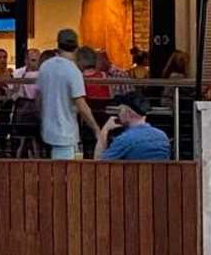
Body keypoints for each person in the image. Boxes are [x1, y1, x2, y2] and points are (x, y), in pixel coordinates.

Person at [37, 29, 101, 160]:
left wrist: (41, 118)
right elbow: (81, 105)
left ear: (58, 44)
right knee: (65, 175)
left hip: (46, 131)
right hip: (66, 133)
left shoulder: (45, 66)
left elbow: (39, 98)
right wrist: (96, 128)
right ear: (76, 47)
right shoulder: (73, 71)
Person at [94, 92, 170, 160]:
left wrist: (105, 130)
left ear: (128, 113)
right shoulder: (162, 136)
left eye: (120, 110)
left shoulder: (124, 139)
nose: (118, 114)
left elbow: (98, 165)